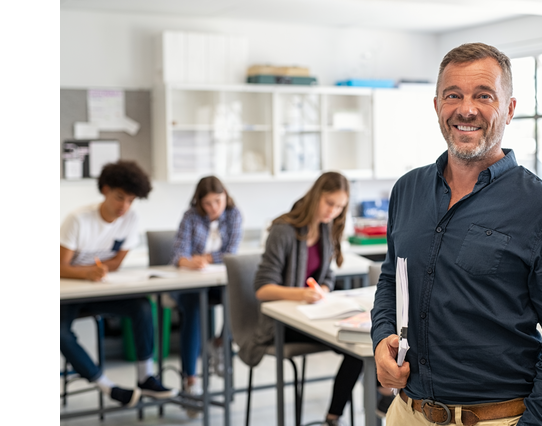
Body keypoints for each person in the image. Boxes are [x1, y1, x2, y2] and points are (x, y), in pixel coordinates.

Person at [371, 42, 542, 426]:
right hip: (408, 412)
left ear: (509, 108)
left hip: (496, 418)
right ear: (437, 105)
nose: (466, 109)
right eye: (453, 95)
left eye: (483, 96)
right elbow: (393, 279)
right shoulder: (407, 190)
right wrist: (381, 340)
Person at [60, 160, 175, 407]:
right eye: (119, 197)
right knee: (58, 332)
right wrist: (87, 273)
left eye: (130, 200)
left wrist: (96, 272)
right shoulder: (78, 220)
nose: (124, 206)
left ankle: (146, 377)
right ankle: (107, 387)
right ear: (105, 190)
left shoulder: (130, 219)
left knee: (142, 306)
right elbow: (59, 267)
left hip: (99, 291)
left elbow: (116, 262)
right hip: (68, 294)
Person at [254, 172, 362, 426]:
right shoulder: (283, 230)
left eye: (339, 207)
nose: (333, 212)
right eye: (329, 203)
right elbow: (262, 289)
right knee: (356, 347)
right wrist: (301, 294)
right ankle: (337, 417)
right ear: (316, 196)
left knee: (361, 344)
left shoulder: (326, 229)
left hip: (313, 314)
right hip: (284, 323)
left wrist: (322, 287)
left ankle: (336, 415)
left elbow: (327, 276)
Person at [169, 175, 243, 416]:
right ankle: (191, 380)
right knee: (192, 309)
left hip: (218, 282)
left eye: (218, 201)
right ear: (199, 202)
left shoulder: (234, 215)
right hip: (191, 283)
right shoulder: (190, 217)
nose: (214, 208)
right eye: (208, 203)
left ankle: (220, 343)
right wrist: (187, 262)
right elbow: (180, 253)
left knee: (241, 296)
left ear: (225, 197)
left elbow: (231, 252)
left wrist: (206, 258)